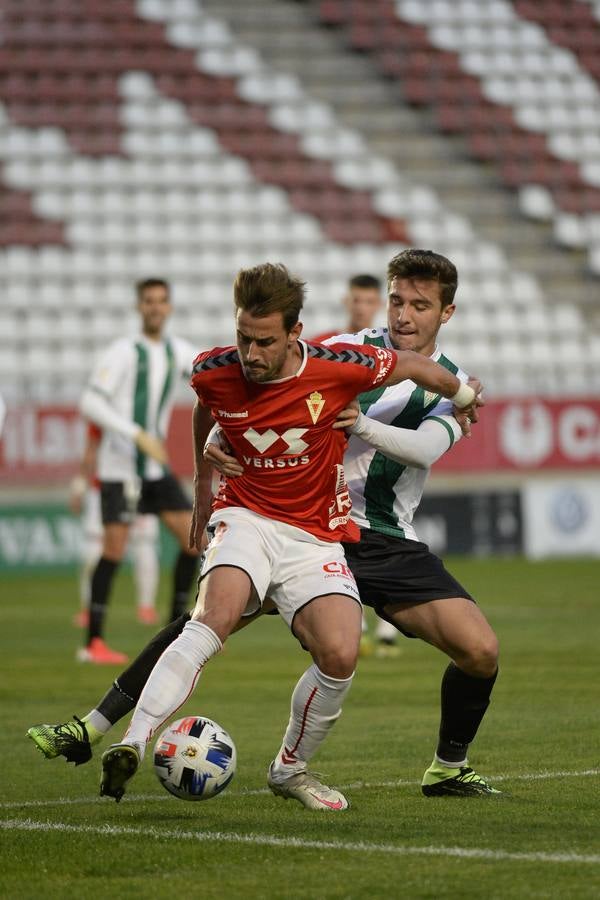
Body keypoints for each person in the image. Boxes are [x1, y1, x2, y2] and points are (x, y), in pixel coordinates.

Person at [28, 254, 486, 803]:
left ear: (447, 312)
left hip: (379, 535)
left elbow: (426, 447)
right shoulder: (346, 346)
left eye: (420, 306)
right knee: (203, 621)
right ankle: (97, 727)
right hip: (293, 517)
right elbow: (264, 384)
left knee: (479, 650)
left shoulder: (451, 383)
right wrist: (221, 440)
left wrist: (371, 419)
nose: (404, 316)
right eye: (397, 301)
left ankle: (447, 767)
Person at [76, 278, 201, 664]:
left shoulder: (176, 351)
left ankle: (177, 631)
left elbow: (211, 372)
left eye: (162, 301)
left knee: (192, 541)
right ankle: (93, 642)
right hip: (121, 468)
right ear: (139, 306)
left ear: (169, 307)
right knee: (113, 549)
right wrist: (135, 434)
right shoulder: (123, 352)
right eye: (149, 301)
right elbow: (89, 403)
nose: (155, 307)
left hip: (154, 468)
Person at [70, 421, 160, 628]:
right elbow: (92, 449)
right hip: (105, 487)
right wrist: (80, 485)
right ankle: (90, 608)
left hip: (137, 484)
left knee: (143, 544)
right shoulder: (104, 411)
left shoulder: (136, 405)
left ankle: (145, 607)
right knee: (96, 548)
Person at [311, 273, 383, 344]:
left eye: (369, 302)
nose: (361, 307)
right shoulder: (321, 343)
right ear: (345, 301)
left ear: (379, 304)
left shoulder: (386, 349)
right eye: (356, 300)